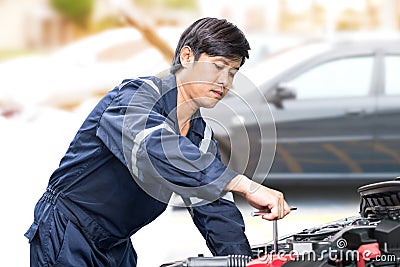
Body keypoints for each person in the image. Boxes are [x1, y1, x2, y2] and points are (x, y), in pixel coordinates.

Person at [25, 17, 291, 267]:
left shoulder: (200, 137)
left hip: (116, 244)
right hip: (68, 229)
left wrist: (241, 261)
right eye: (218, 66)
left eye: (232, 73)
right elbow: (156, 147)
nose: (224, 81)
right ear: (187, 57)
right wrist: (244, 184)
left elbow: (214, 208)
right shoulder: (134, 98)